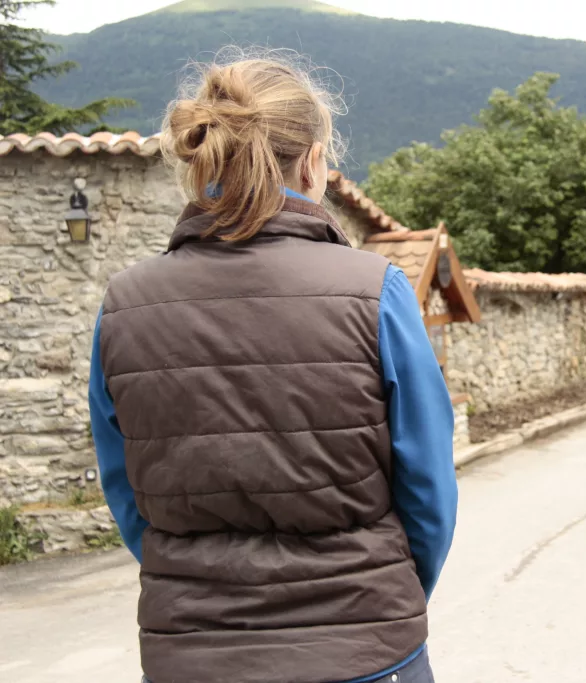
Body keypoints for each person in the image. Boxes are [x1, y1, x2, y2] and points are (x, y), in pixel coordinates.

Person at [87, 50, 457, 683]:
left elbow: (127, 493)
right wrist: (382, 593)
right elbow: (428, 488)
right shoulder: (376, 291)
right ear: (313, 161)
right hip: (366, 651)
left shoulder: (123, 305)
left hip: (193, 655)